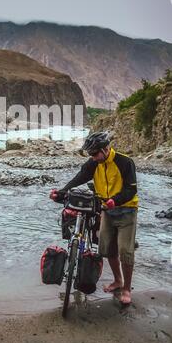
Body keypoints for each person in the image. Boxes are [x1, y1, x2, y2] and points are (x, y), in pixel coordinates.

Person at [50, 131, 138, 305]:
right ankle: (118, 281)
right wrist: (61, 192)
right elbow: (79, 178)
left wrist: (115, 200)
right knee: (107, 249)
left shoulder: (125, 162)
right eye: (90, 154)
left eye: (95, 153)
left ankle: (127, 289)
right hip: (106, 210)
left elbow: (131, 189)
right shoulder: (93, 163)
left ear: (106, 149)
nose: (93, 157)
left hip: (126, 210)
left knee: (125, 251)